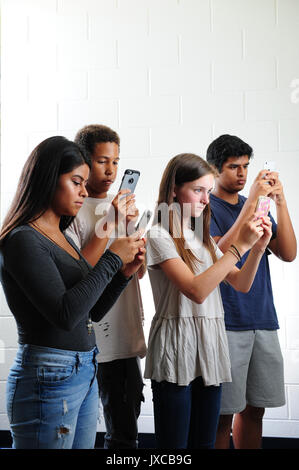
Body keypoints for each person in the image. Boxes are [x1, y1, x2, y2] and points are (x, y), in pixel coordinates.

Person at [0, 136, 145, 449]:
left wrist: (122, 275)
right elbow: (63, 315)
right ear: (49, 178)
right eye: (77, 182)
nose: (84, 190)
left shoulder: (60, 235)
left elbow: (88, 312)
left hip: (83, 368)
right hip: (49, 374)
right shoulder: (23, 239)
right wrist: (112, 258)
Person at [144, 153, 273, 449]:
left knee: (204, 444)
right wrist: (238, 248)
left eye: (208, 190)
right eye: (198, 190)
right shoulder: (159, 234)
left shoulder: (202, 239)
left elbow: (241, 283)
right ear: (175, 189)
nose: (206, 199)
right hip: (177, 346)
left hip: (209, 346)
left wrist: (257, 249)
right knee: (174, 447)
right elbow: (196, 291)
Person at [206, 134, 297, 449]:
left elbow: (288, 252)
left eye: (245, 166)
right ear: (215, 169)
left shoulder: (254, 206)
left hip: (263, 318)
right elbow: (221, 249)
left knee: (254, 408)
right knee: (221, 414)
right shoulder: (205, 207)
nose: (242, 174)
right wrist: (253, 207)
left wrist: (280, 201)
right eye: (233, 167)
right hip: (227, 321)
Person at [65, 124, 147, 449]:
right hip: (87, 336)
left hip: (123, 333)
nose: (112, 170)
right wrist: (110, 221)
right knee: (78, 429)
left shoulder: (124, 208)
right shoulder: (72, 210)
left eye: (116, 161)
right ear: (84, 161)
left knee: (126, 430)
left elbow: (136, 274)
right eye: (102, 161)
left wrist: (133, 235)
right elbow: (78, 272)